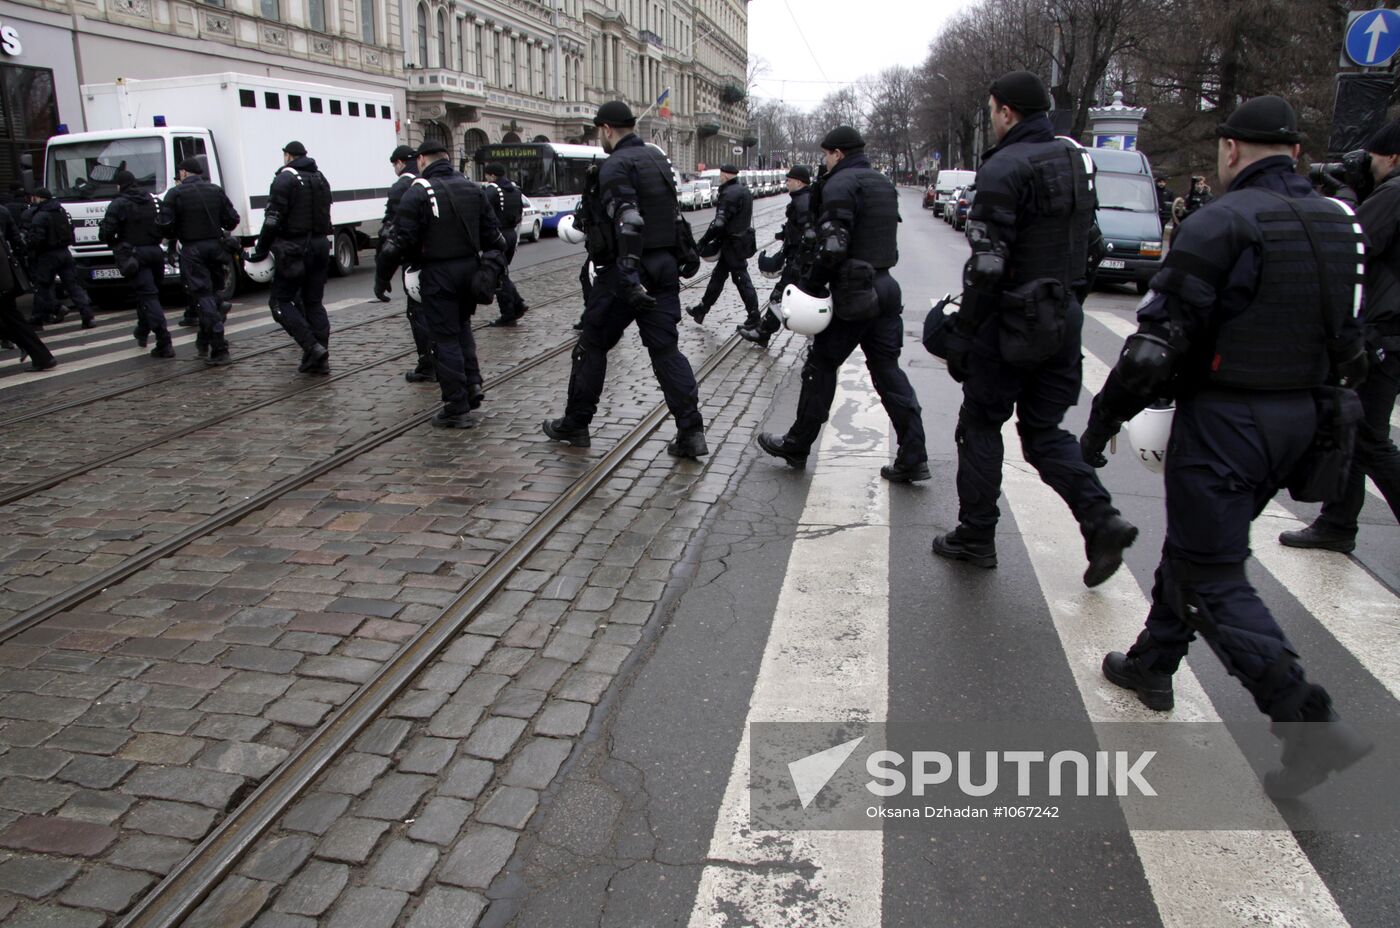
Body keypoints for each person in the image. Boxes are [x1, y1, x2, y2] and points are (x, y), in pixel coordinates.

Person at [1079, 95, 1372, 798]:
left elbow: (1151, 354)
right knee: (1197, 549)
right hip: (1308, 417)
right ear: (1296, 151)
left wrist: (1103, 421)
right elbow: (1359, 336)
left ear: (1232, 150)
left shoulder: (1222, 222)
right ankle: (1152, 663)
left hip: (1229, 423)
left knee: (1214, 576)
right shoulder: (1343, 222)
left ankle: (1308, 721)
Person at [927, 71, 1137, 582]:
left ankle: (976, 536)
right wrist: (1065, 301)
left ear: (1005, 112)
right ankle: (1101, 518)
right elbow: (1095, 244)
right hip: (1061, 316)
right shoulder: (1076, 158)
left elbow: (988, 267)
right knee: (1043, 433)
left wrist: (965, 333)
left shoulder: (1005, 168)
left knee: (979, 425)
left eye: (992, 109)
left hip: (1008, 323)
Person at [756, 125, 929, 482]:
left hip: (853, 291)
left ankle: (797, 443)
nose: (824, 161)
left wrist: (811, 286)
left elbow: (833, 246)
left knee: (820, 366)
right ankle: (914, 454)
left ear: (837, 153)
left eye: (825, 155)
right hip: (885, 286)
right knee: (888, 371)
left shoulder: (840, 183)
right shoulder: (882, 182)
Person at [542, 100, 708, 457]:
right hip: (663, 266)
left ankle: (576, 423)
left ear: (606, 129)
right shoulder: (656, 159)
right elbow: (673, 214)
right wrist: (687, 254)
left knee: (591, 345)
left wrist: (630, 277)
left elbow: (630, 220)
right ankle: (691, 432)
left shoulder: (616, 164)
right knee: (665, 351)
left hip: (625, 271)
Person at [1280, 119, 1400, 551]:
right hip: (1389, 329)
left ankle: (1338, 523)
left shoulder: (1394, 192)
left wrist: (1347, 198)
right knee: (1351, 423)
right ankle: (1337, 523)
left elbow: (1353, 243)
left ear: (1393, 157)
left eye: (1373, 158)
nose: (1368, 164)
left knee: (1367, 435)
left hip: (1386, 331)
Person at [375, 140, 505, 428]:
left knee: (444, 338)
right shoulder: (473, 188)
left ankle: (456, 405)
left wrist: (382, 278)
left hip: (438, 274)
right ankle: (472, 386)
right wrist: (492, 270)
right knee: (462, 330)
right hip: (469, 271)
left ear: (422, 160)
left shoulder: (419, 192)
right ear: (446, 158)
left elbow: (397, 242)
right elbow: (496, 240)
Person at [248, 140, 334, 374]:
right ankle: (319, 358)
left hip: (295, 248)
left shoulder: (285, 178)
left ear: (287, 156)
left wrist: (261, 249)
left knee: (280, 301)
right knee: (314, 302)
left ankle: (312, 347)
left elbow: (273, 218)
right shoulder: (319, 177)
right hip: (319, 245)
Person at [159, 158, 240, 364]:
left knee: (203, 297)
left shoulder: (175, 194)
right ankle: (204, 340)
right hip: (215, 247)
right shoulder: (215, 190)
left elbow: (164, 226)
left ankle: (219, 347)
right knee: (212, 295)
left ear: (185, 172)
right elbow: (232, 219)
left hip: (192, 249)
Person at [100, 169, 174, 358]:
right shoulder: (151, 199)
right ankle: (142, 330)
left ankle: (164, 341)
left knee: (148, 297)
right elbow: (164, 224)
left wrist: (116, 243)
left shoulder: (118, 204)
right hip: (155, 252)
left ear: (119, 185)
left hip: (135, 254)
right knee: (147, 295)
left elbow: (107, 232)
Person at [739, 164, 815, 348]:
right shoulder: (802, 198)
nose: (786, 183)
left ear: (798, 182)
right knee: (785, 296)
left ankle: (764, 332)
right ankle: (764, 332)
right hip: (798, 257)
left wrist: (799, 256)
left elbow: (809, 232)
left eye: (789, 180)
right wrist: (786, 234)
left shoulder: (802, 201)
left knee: (780, 296)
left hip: (799, 260)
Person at [382, 144, 435, 383]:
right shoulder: (433, 180)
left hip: (417, 263)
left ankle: (428, 363)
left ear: (400, 162)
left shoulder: (403, 187)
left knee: (418, 313)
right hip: (443, 260)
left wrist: (382, 275)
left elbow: (393, 235)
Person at [687, 164, 759, 329]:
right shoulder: (743, 190)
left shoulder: (729, 193)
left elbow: (719, 223)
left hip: (732, 244)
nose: (720, 177)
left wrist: (703, 242)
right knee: (718, 277)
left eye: (721, 174)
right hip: (738, 242)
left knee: (741, 279)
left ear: (725, 175)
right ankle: (702, 309)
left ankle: (755, 316)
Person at [23, 187, 96, 329]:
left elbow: (36, 239)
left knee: (42, 287)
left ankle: (38, 318)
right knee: (73, 286)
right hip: (65, 253)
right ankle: (88, 316)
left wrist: (30, 250)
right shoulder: (61, 211)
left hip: (47, 255)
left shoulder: (40, 215)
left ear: (39, 198)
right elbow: (71, 230)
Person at [0, 205, 54, 370]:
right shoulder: (3, 210)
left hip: (2, 279)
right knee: (12, 319)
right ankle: (40, 355)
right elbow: (16, 239)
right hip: (5, 276)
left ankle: (40, 355)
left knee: (12, 319)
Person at [482, 162, 530, 327]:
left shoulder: (492, 190)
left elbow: (484, 212)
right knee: (501, 273)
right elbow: (519, 214)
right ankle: (517, 305)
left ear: (493, 175)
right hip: (510, 234)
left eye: (487, 175)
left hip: (497, 235)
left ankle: (509, 313)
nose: (486, 178)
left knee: (498, 276)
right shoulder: (515, 190)